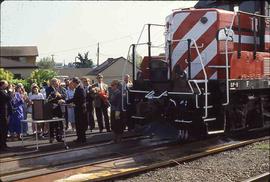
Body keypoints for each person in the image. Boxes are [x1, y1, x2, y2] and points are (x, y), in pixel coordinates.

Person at [66, 77, 87, 143]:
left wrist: (67, 101)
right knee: (78, 124)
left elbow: (79, 99)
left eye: (72, 83)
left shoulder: (80, 89)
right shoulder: (78, 89)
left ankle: (82, 139)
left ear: (75, 83)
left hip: (80, 110)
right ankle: (80, 138)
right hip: (78, 109)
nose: (72, 84)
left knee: (80, 125)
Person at [46, 78, 66, 143]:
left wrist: (60, 95)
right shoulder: (48, 89)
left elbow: (65, 96)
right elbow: (48, 98)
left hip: (60, 108)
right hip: (52, 108)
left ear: (58, 82)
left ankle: (59, 137)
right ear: (51, 83)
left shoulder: (62, 89)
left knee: (60, 123)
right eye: (53, 83)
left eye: (56, 82)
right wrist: (54, 98)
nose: (55, 84)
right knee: (51, 123)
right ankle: (51, 137)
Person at [0, 80, 12, 151]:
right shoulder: (1, 92)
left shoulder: (3, 91)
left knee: (4, 130)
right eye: (6, 84)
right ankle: (2, 146)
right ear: (2, 84)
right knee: (3, 130)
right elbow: (8, 98)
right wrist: (10, 91)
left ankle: (3, 144)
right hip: (2, 114)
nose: (7, 85)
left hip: (5, 113)